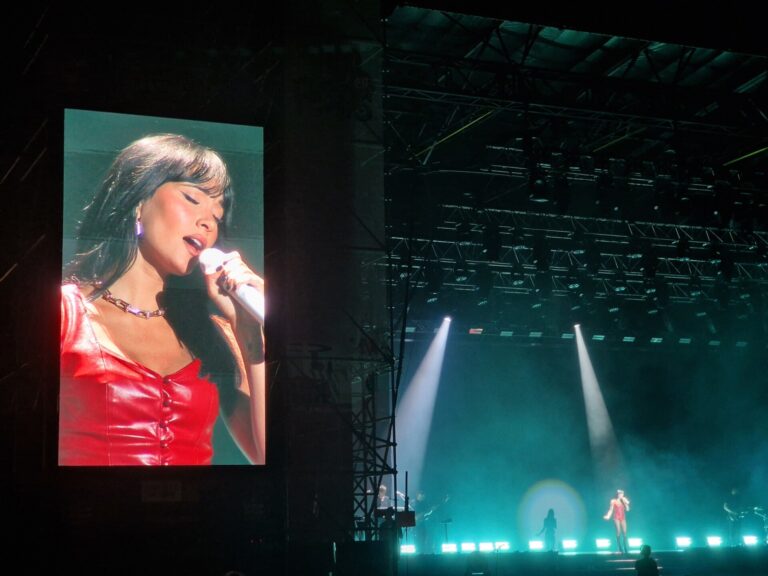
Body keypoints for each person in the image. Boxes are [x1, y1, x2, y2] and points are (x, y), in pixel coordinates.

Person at [59, 133, 266, 466]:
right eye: (192, 198)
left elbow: (266, 457)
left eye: (217, 215)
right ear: (139, 201)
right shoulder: (65, 315)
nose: (207, 223)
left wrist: (250, 334)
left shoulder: (215, 335)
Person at [603, 489, 630, 553]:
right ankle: (619, 547)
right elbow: (611, 509)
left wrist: (625, 502)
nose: (621, 495)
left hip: (623, 518)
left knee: (625, 532)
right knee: (618, 531)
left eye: (622, 494)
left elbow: (628, 509)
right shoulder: (613, 501)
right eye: (620, 494)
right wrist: (608, 516)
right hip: (616, 517)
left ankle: (625, 546)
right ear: (618, 494)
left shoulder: (624, 500)